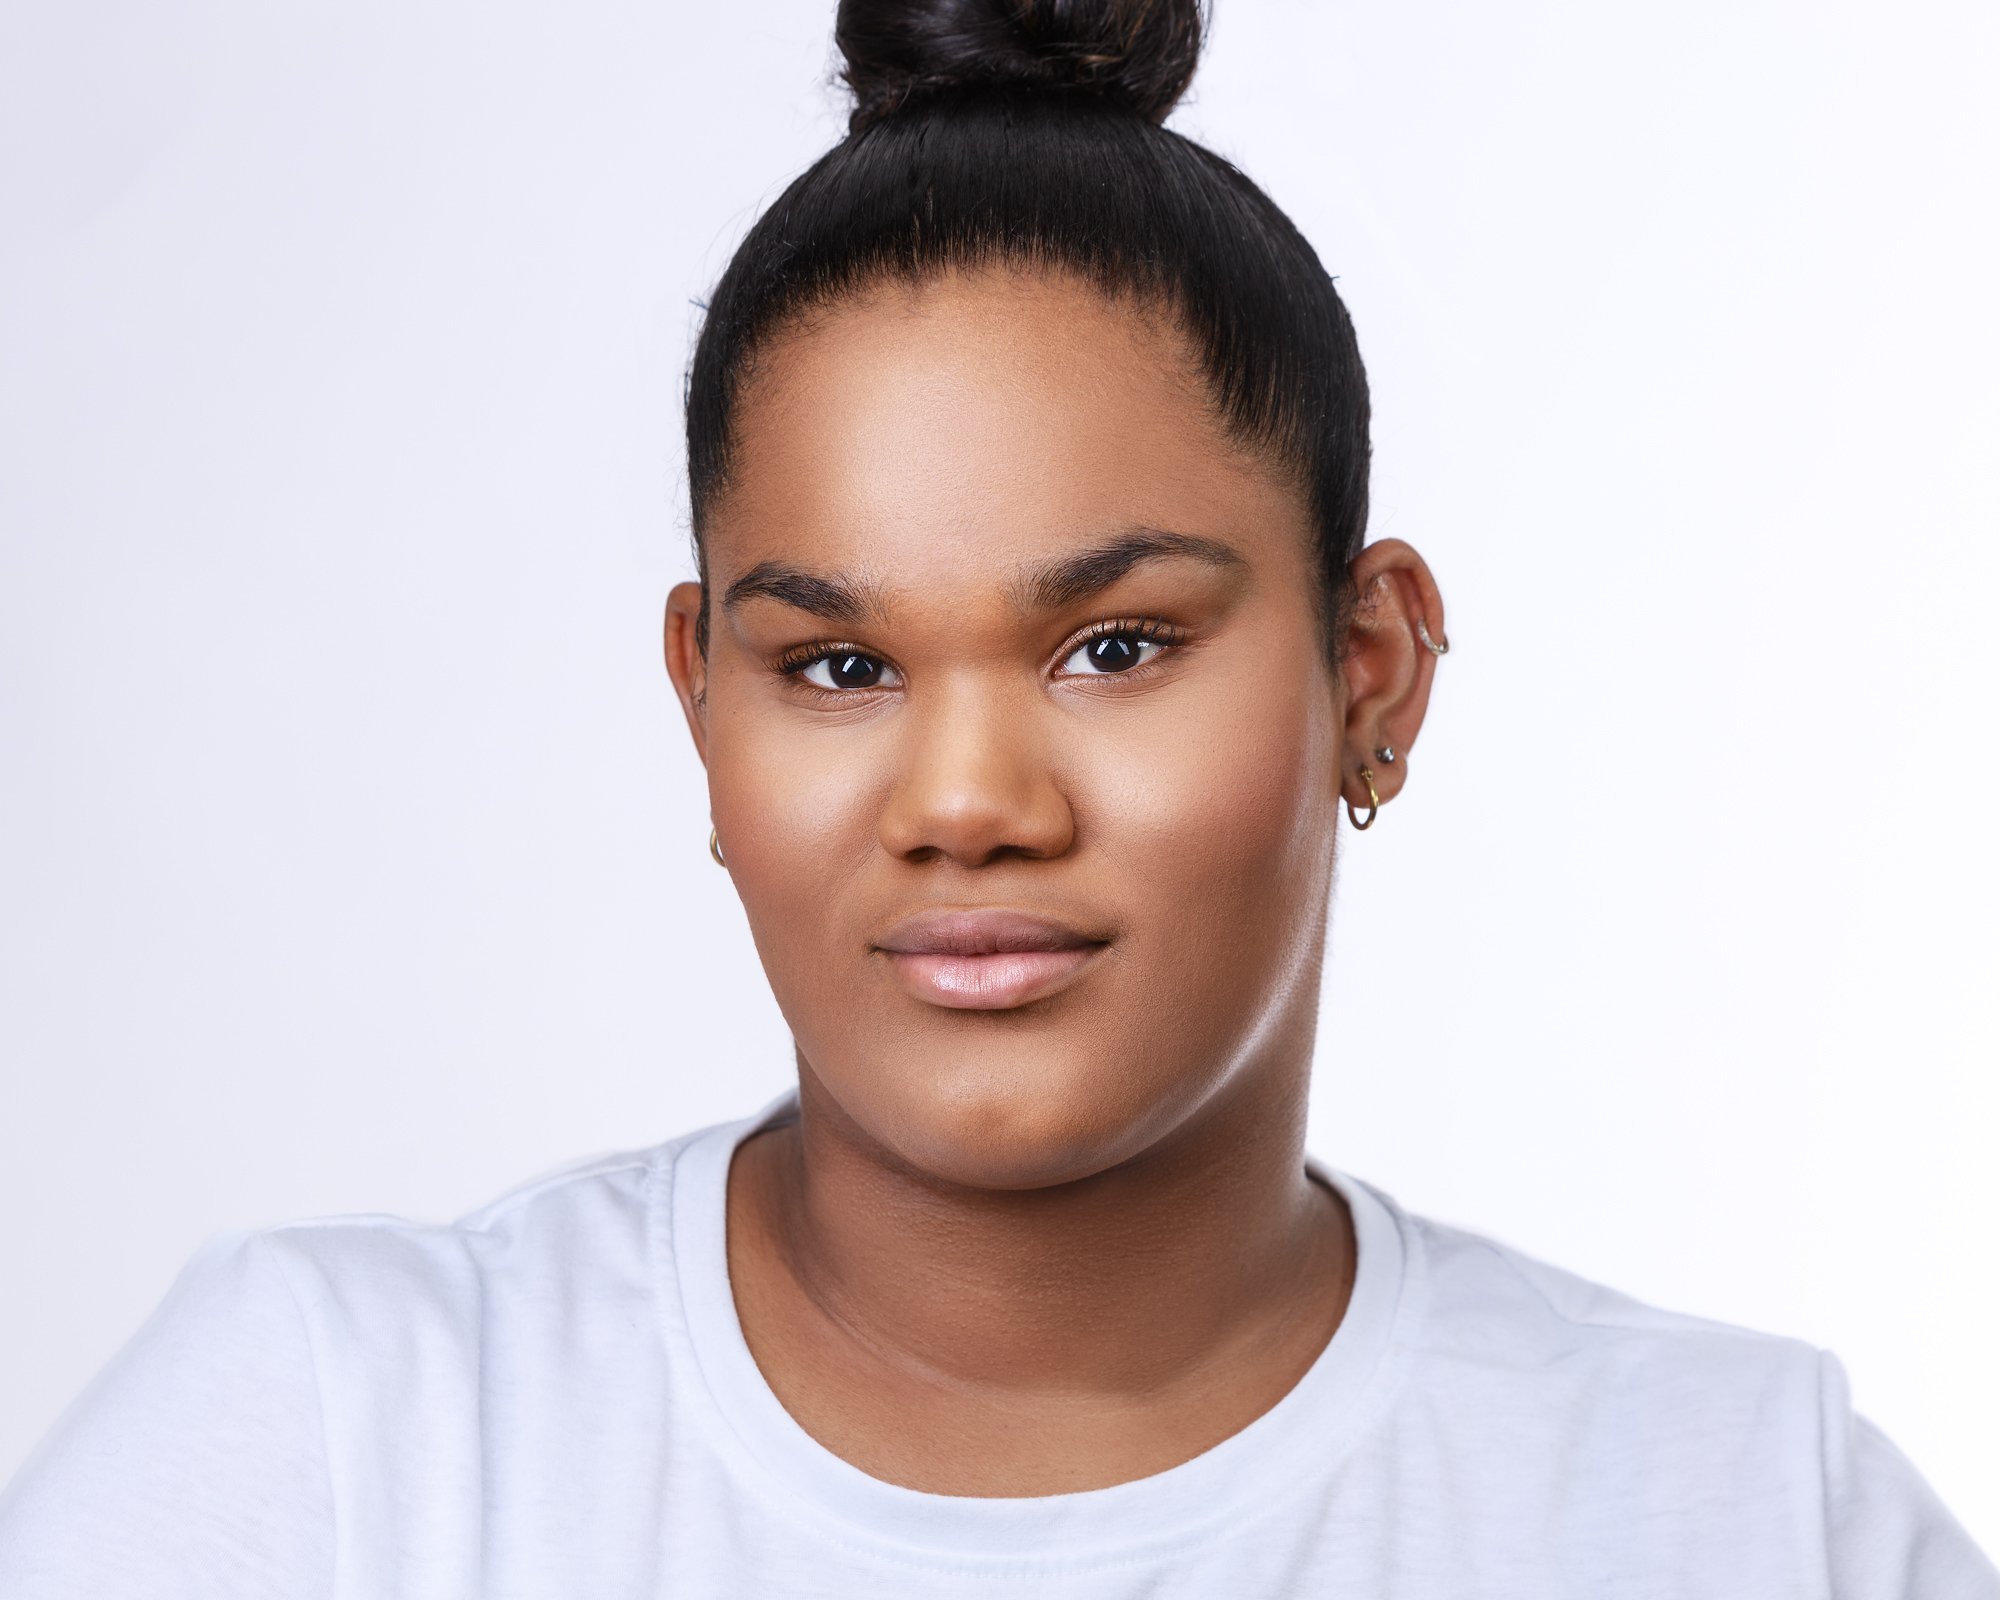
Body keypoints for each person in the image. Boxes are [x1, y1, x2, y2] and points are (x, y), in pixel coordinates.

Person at [1, 0, 1992, 1593]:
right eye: (838, 664)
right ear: (705, 703)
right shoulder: (338, 1451)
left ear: (1367, 668)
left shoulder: (1741, 1513)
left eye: (1113, 644)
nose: (964, 801)